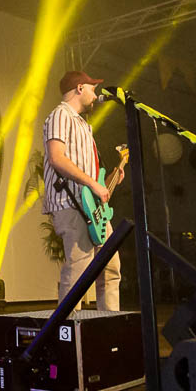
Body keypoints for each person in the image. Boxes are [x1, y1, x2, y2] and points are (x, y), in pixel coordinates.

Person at [41, 70, 127, 313]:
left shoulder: (83, 125)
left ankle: (109, 322)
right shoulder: (60, 115)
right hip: (70, 204)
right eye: (92, 89)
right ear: (80, 88)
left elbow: (91, 176)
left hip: (92, 208)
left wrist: (108, 180)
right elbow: (57, 158)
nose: (95, 96)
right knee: (79, 268)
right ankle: (66, 326)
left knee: (110, 269)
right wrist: (92, 183)